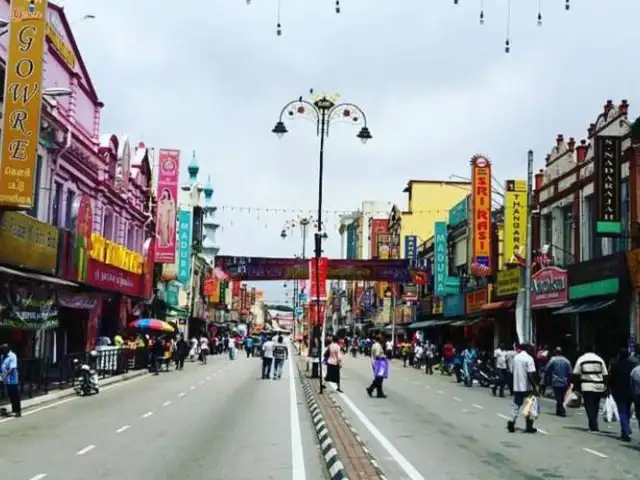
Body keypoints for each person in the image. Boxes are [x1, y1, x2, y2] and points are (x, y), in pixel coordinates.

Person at [573, 345, 608, 432]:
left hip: (587, 386)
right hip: (599, 386)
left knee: (589, 406)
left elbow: (575, 373)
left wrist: (576, 385)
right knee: (596, 405)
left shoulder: (581, 359)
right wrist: (605, 385)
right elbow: (605, 374)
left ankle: (593, 425)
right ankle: (594, 424)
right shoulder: (599, 359)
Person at [507, 343, 538, 434]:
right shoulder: (529, 358)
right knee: (530, 406)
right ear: (528, 349)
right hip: (527, 386)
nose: (533, 351)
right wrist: (535, 386)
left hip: (517, 385)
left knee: (516, 405)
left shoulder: (516, 358)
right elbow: (531, 374)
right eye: (532, 349)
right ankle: (529, 426)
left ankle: (511, 421)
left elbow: (512, 371)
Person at [608, 348, 636, 441]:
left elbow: (611, 379)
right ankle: (624, 432)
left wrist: (609, 389)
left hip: (619, 392)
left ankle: (626, 430)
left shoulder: (615, 366)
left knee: (622, 411)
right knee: (627, 411)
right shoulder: (632, 365)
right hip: (631, 391)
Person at [544, 347, 572, 417]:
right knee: (561, 397)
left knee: (558, 397)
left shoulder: (553, 359)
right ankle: (558, 411)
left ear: (555, 352)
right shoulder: (567, 361)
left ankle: (562, 411)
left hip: (556, 381)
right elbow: (570, 372)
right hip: (564, 382)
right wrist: (569, 381)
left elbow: (546, 369)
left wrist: (547, 378)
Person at [0, 344, 20, 418]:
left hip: (12, 380)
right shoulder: (2, 356)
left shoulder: (12, 356)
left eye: (2, 350)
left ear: (7, 349)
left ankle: (17, 411)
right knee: (10, 395)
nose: (1, 352)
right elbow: (1, 366)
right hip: (5, 379)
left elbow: (12, 368)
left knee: (15, 395)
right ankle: (11, 410)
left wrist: (5, 376)